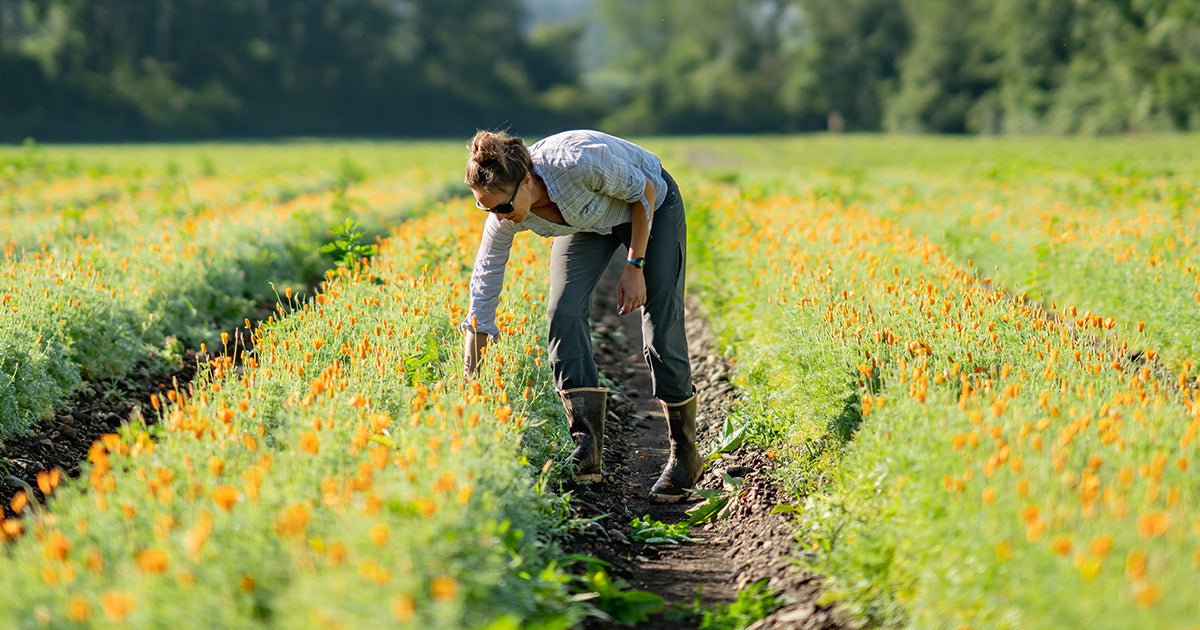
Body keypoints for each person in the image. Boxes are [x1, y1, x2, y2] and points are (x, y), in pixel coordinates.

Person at [461, 129, 701, 503]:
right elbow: (482, 296)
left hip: (649, 205)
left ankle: (684, 454)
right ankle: (587, 451)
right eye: (484, 207)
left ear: (526, 181)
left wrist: (634, 266)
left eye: (502, 207)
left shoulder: (577, 165)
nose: (497, 216)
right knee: (563, 312)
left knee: (660, 325)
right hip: (587, 222)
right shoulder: (503, 216)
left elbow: (645, 193)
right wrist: (469, 379)